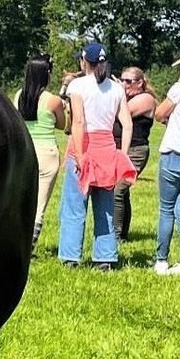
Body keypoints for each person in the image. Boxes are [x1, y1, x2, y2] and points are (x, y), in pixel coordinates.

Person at [56, 43, 137, 269]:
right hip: (107, 148)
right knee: (105, 207)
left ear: (84, 61)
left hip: (84, 146)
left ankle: (71, 256)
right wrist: (122, 155)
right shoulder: (116, 88)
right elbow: (127, 124)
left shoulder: (78, 85)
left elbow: (79, 121)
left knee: (74, 205)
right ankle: (106, 257)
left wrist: (80, 155)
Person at [14, 54, 65, 248]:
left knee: (20, 199)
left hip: (25, 149)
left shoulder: (19, 95)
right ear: (47, 74)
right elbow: (62, 125)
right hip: (46, 152)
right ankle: (30, 244)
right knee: (39, 204)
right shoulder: (52, 100)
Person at [112, 67, 158, 242]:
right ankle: (123, 233)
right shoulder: (128, 97)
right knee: (123, 193)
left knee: (118, 190)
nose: (124, 84)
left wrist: (116, 93)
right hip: (122, 149)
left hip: (136, 151)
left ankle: (115, 236)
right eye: (122, 80)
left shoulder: (145, 99)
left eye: (129, 81)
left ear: (140, 82)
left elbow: (124, 114)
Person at [153, 55, 180, 275]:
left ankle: (161, 259)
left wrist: (169, 122)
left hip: (173, 152)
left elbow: (160, 113)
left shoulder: (179, 89)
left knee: (166, 209)